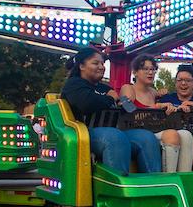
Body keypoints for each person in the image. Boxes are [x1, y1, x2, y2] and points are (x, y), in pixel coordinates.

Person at [60, 47, 162, 176]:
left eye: (102, 63)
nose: (101, 67)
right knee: (115, 137)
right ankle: (119, 185)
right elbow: (86, 104)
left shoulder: (105, 88)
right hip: (82, 133)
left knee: (146, 137)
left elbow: (129, 109)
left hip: (112, 130)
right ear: (81, 66)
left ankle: (154, 182)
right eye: (95, 63)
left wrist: (124, 102)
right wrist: (110, 99)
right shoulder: (74, 84)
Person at [120, 55, 193, 173]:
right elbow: (128, 110)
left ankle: (184, 177)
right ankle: (168, 179)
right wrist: (156, 107)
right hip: (135, 131)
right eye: (145, 69)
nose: (150, 72)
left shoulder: (153, 92)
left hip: (154, 129)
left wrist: (173, 108)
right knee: (171, 135)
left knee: (186, 135)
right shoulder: (127, 88)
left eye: (153, 69)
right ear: (135, 72)